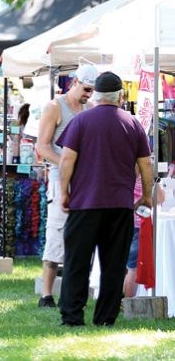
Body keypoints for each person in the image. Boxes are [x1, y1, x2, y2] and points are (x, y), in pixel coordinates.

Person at [57, 71, 153, 327]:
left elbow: (67, 160)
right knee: (114, 265)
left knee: (77, 262)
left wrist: (64, 191)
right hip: (120, 205)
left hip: (84, 203)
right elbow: (145, 165)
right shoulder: (134, 125)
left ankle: (72, 317)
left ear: (96, 95)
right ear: (120, 96)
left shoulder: (80, 121)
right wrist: (145, 196)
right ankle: (106, 317)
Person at [35, 64, 98, 308]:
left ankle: (73, 290)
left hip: (84, 180)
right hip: (60, 178)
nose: (88, 94)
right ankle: (47, 294)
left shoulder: (90, 108)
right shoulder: (54, 106)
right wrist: (67, 162)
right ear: (75, 82)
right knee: (56, 232)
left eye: (92, 91)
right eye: (85, 89)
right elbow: (42, 146)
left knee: (81, 234)